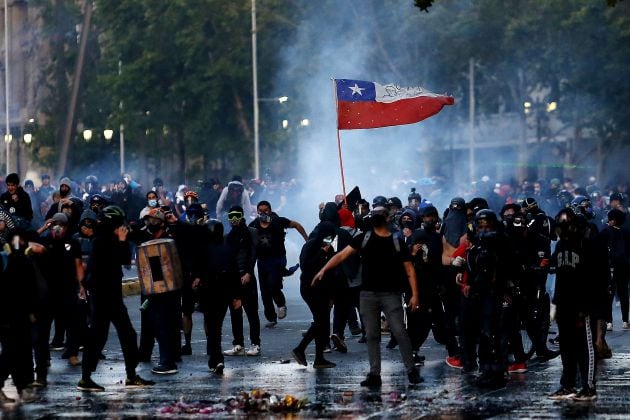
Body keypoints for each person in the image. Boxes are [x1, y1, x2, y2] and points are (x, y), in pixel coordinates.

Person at [312, 206, 423, 386]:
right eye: (375, 214)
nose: (377, 217)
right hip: (368, 295)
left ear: (388, 218)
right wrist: (324, 269)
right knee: (372, 335)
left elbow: (409, 269)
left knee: (400, 332)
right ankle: (374, 374)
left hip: (391, 295)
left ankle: (411, 371)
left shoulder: (396, 240)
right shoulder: (364, 238)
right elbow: (342, 255)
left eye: (381, 214)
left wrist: (415, 295)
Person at [77, 205, 154, 392]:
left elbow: (126, 260)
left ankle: (130, 375)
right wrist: (121, 241)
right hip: (103, 295)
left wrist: (124, 239)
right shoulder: (101, 240)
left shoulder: (110, 238)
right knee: (98, 337)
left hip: (112, 295)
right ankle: (85, 378)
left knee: (127, 334)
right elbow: (116, 260)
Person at [548, 208, 597, 401]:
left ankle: (589, 386)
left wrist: (586, 304)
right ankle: (567, 385)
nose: (558, 231)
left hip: (580, 304)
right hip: (564, 303)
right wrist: (555, 302)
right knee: (566, 347)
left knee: (584, 347)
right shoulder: (561, 246)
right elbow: (559, 275)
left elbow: (591, 277)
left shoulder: (584, 245)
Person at [249, 200, 308, 327]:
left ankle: (281, 304)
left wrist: (306, 239)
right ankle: (271, 318)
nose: (263, 213)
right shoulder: (254, 225)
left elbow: (296, 225)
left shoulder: (278, 221)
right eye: (260, 211)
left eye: (266, 211)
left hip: (277, 259)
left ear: (270, 211)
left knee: (273, 285)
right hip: (262, 261)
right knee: (264, 291)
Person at [195, 220, 241, 375]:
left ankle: (216, 358)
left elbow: (197, 272)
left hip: (208, 293)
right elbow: (235, 273)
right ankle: (214, 358)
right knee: (216, 327)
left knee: (212, 327)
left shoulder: (202, 250)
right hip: (224, 293)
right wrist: (236, 296)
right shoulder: (228, 249)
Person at [292, 221, 338, 368]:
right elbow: (306, 266)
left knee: (322, 322)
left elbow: (331, 269)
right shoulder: (311, 245)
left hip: (324, 289)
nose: (329, 240)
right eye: (328, 237)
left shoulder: (329, 247)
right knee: (320, 322)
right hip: (311, 288)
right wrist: (321, 253)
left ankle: (319, 358)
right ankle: (300, 349)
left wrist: (332, 294)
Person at [223, 206, 261, 357]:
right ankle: (238, 344)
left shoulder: (252, 232)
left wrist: (249, 272)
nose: (234, 219)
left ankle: (255, 344)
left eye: (236, 215)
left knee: (251, 312)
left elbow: (254, 253)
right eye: (231, 216)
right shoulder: (228, 237)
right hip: (233, 279)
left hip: (247, 278)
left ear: (242, 216)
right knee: (235, 311)